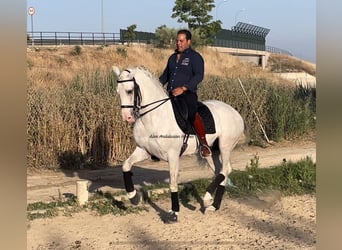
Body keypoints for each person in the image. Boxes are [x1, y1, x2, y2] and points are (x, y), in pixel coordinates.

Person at [159, 29, 211, 157]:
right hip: (170, 94)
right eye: (177, 41)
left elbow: (199, 76)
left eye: (181, 41)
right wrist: (156, 85)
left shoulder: (195, 57)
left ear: (188, 41)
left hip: (187, 94)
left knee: (192, 113)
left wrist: (183, 88)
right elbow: (165, 76)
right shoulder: (172, 58)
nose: (178, 43)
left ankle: (204, 144)